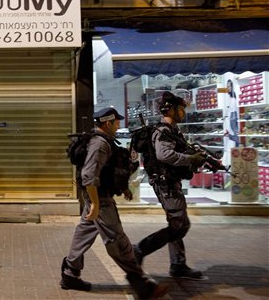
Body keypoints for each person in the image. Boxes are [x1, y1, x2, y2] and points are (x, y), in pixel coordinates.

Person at [61, 107, 168, 299]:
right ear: (107, 123)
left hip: (97, 197)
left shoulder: (104, 142)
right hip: (100, 200)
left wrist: (123, 188)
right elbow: (88, 176)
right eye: (116, 122)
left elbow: (109, 171)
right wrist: (94, 204)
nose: (119, 125)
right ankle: (143, 285)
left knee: (83, 234)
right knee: (117, 241)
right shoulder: (100, 144)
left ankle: (70, 274)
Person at [133, 91, 207, 280]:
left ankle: (178, 264)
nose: (183, 112)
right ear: (171, 110)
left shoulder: (173, 130)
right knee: (179, 225)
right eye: (181, 108)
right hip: (165, 183)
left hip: (170, 181)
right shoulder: (164, 131)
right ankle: (141, 249)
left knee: (177, 223)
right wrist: (190, 158)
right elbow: (163, 155)